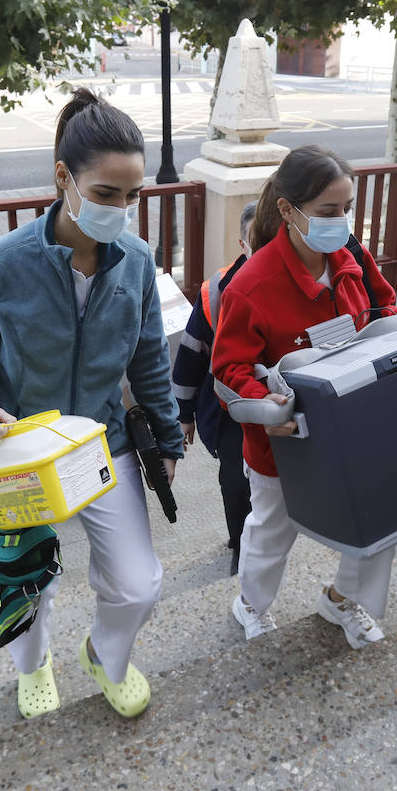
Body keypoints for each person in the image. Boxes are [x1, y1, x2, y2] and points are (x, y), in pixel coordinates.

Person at [0, 88, 184, 720]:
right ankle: (34, 662)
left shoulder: (136, 262)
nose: (121, 210)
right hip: (18, 450)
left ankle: (104, 654)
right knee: (26, 586)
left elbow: (149, 360)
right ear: (63, 178)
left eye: (133, 197)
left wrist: (170, 442)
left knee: (139, 583)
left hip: (103, 446)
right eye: (106, 193)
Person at [212, 144, 397, 649]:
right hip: (282, 444)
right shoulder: (251, 285)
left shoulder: (351, 257)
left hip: (354, 428)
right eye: (329, 211)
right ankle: (252, 606)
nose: (342, 221)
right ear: (288, 210)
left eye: (347, 209)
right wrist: (265, 407)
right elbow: (228, 370)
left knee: (379, 518)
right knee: (271, 536)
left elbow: (382, 309)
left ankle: (342, 600)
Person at [171, 202, 256, 576]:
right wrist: (184, 414)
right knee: (236, 482)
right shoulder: (217, 292)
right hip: (231, 409)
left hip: (282, 403)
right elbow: (191, 355)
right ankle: (240, 544)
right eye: (258, 239)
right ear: (243, 242)